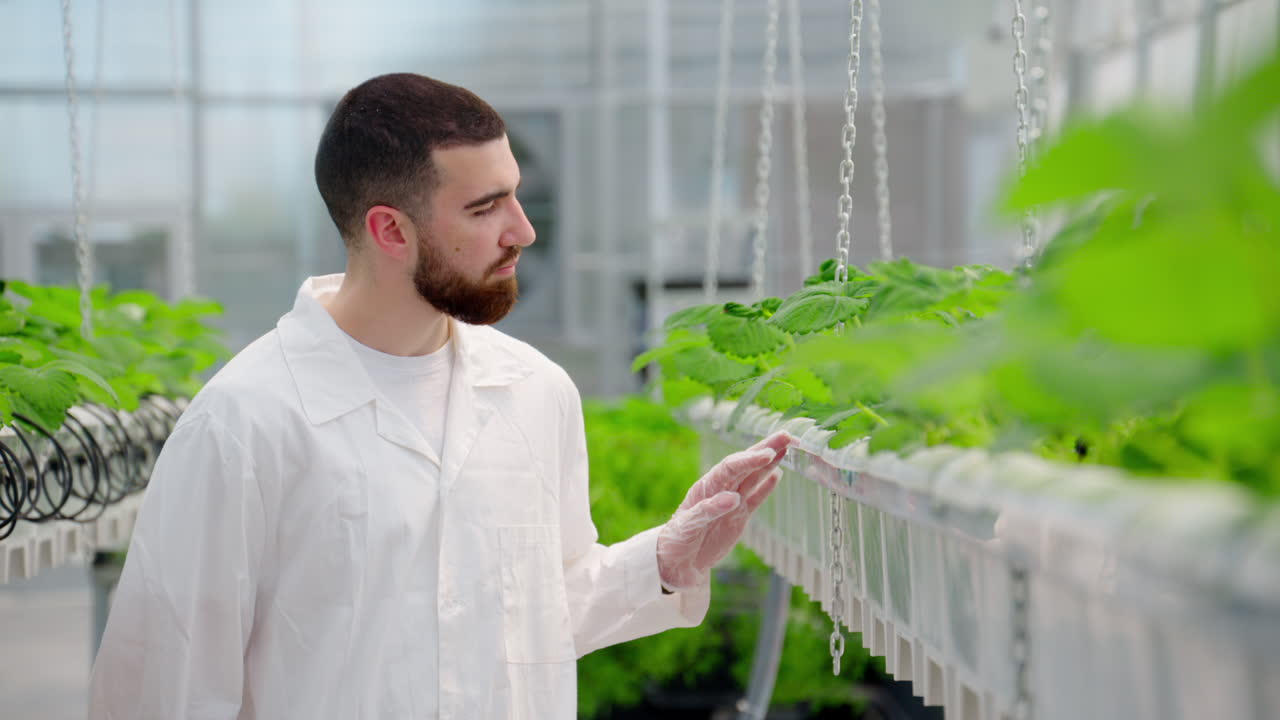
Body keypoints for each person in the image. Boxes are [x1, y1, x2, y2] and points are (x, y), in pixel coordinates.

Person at [88, 73, 791, 720]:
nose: (524, 230)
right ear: (390, 229)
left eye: (516, 193)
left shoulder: (536, 394)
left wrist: (664, 563)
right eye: (486, 208)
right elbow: (164, 689)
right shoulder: (246, 423)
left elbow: (537, 615)